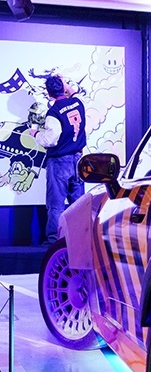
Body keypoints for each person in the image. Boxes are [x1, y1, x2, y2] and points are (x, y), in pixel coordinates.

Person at [30, 75, 86, 245]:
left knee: (56, 204)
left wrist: (36, 134)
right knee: (79, 204)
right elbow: (73, 92)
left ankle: (54, 241)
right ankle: (81, 239)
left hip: (60, 162)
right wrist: (65, 83)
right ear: (63, 88)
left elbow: (51, 139)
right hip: (78, 160)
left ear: (48, 93)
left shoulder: (53, 112)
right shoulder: (78, 103)